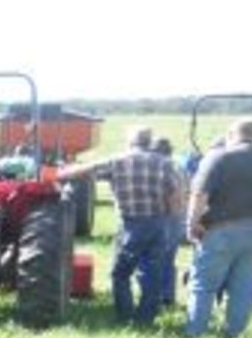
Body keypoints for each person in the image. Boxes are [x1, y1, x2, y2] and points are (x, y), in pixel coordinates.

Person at [59, 124, 181, 326]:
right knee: (153, 273)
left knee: (121, 273)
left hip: (130, 224)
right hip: (158, 223)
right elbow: (175, 196)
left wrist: (61, 173)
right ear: (149, 142)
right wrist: (170, 216)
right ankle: (146, 318)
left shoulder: (118, 161)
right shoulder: (165, 164)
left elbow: (85, 171)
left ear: (130, 142)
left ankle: (125, 315)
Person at [185, 116, 252, 338]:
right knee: (243, 284)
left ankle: (196, 333)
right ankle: (234, 334)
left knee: (203, 284)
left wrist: (191, 223)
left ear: (231, 134)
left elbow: (199, 195)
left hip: (221, 230)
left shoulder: (217, 157)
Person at [150, 136, 186, 309]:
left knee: (156, 259)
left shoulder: (161, 167)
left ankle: (155, 296)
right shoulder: (180, 166)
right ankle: (167, 296)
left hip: (165, 216)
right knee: (169, 259)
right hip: (178, 218)